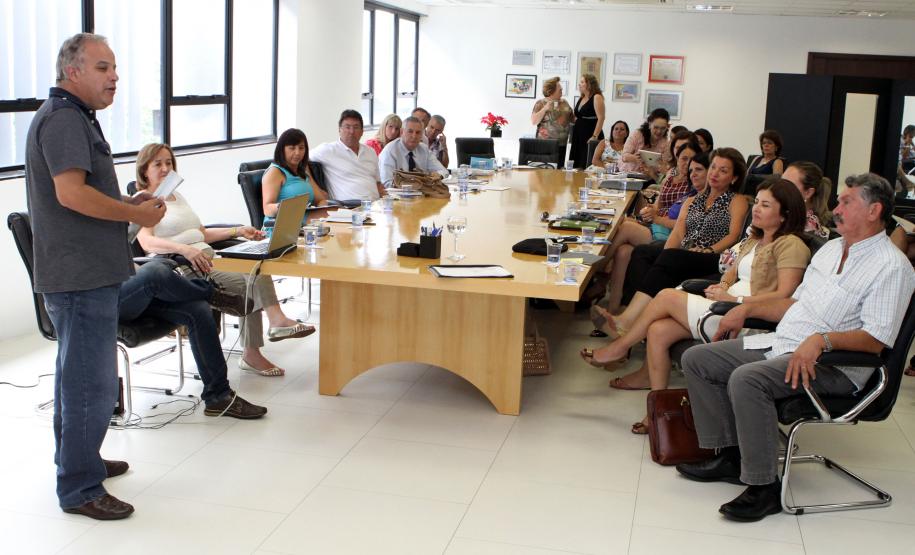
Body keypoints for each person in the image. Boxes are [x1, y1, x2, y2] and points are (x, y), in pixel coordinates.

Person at [24, 33, 259, 522]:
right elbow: (70, 195)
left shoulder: (72, 118)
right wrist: (131, 215)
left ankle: (79, 462)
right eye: (103, 67)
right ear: (73, 72)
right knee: (89, 384)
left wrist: (129, 207)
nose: (115, 77)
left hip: (86, 272)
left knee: (77, 379)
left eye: (115, 68)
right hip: (80, 276)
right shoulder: (65, 119)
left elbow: (85, 197)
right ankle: (80, 487)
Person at [676, 173, 914, 522]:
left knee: (748, 379)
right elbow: (794, 304)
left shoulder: (892, 267)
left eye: (847, 202)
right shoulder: (832, 249)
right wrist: (747, 309)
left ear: (874, 210)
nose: (836, 208)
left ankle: (765, 487)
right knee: (698, 359)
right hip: (786, 344)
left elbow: (876, 339)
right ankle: (731, 456)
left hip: (837, 366)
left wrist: (822, 340)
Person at [584, 181, 810, 433]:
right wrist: (720, 288)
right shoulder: (755, 239)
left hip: (746, 320)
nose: (756, 209)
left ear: (785, 214)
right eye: (756, 202)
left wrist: (734, 301)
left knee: (668, 296)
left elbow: (783, 296)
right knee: (658, 330)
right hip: (723, 305)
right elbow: (731, 273)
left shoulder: (791, 245)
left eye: (765, 205)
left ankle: (620, 345)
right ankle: (658, 413)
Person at [135, 143, 315, 377]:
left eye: (169, 163)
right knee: (251, 279)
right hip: (181, 267)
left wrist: (237, 231)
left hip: (208, 257)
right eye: (157, 163)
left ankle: (264, 337)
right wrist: (184, 249)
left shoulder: (177, 196)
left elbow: (202, 233)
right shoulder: (141, 202)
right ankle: (268, 332)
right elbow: (147, 243)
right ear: (144, 170)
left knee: (255, 266)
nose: (165, 168)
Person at [605, 148, 750, 336]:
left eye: (723, 171)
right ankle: (631, 312)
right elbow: (678, 233)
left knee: (671, 257)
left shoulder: (737, 200)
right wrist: (665, 256)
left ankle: (627, 321)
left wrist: (709, 249)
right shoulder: (692, 200)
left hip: (714, 257)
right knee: (642, 252)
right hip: (686, 253)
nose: (714, 173)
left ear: (734, 178)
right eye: (713, 167)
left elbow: (734, 235)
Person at [592, 143, 702, 323]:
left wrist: (656, 218)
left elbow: (683, 225)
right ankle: (615, 310)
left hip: (666, 235)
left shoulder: (694, 189)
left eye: (692, 161)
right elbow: (661, 206)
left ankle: (595, 269)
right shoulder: (674, 175)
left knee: (625, 227)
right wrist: (650, 211)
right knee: (623, 250)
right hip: (658, 227)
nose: (687, 165)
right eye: (684, 158)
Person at [311, 109, 385, 201]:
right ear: (339, 129)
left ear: (362, 131)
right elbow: (301, 158)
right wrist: (317, 190)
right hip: (348, 208)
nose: (351, 131)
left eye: (356, 127)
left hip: (374, 206)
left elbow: (377, 182)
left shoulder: (370, 152)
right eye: (347, 127)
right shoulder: (328, 150)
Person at [262, 128, 329, 226]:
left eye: (301, 148)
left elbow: (321, 199)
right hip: (283, 225)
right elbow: (267, 209)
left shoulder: (302, 171)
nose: (297, 153)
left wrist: (322, 210)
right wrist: (288, 207)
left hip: (306, 224)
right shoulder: (275, 172)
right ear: (282, 149)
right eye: (292, 148)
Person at [378, 116, 449, 188]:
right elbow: (386, 183)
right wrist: (412, 187)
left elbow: (444, 171)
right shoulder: (390, 151)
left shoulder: (423, 149)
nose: (414, 136)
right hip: (396, 196)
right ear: (402, 132)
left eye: (418, 132)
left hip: (421, 195)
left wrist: (439, 175)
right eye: (410, 131)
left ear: (422, 135)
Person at [780, 161, 832, 238]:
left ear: (808, 193)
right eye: (780, 182)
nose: (779, 188)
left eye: (789, 185)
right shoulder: (784, 214)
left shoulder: (808, 227)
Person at [620, 108, 672, 181]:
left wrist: (657, 167)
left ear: (667, 127)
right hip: (629, 176)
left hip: (649, 179)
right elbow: (624, 156)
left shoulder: (666, 143)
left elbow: (664, 167)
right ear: (650, 124)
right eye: (656, 127)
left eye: (663, 128)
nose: (659, 131)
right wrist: (634, 158)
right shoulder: (637, 134)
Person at [531, 77, 573, 165]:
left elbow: (573, 119)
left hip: (562, 144)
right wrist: (545, 109)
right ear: (551, 91)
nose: (561, 89)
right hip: (545, 144)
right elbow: (534, 121)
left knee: (558, 170)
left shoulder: (564, 102)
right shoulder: (541, 103)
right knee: (545, 171)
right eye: (559, 88)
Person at [569, 73, 605, 168]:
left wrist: (594, 136)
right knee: (577, 161)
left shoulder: (597, 97)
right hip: (578, 134)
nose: (579, 84)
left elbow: (601, 118)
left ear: (589, 84)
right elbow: (578, 116)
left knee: (586, 160)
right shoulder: (582, 97)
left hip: (590, 133)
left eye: (582, 82)